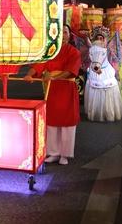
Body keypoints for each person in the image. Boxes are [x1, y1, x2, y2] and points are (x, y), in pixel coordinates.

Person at [25, 24, 82, 165]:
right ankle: (53, 152)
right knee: (51, 121)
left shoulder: (74, 52)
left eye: (65, 32)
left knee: (67, 122)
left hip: (67, 88)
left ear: (69, 35)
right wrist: (29, 75)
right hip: (52, 89)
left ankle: (65, 154)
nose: (63, 35)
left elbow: (70, 71)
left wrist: (54, 77)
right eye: (59, 32)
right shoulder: (50, 51)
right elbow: (39, 66)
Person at [84, 27, 122, 122]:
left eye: (101, 38)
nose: (99, 39)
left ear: (104, 39)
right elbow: (89, 47)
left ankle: (108, 112)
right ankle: (95, 112)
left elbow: (113, 54)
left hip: (106, 71)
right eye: (97, 38)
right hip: (95, 70)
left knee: (108, 90)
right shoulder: (92, 48)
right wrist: (86, 37)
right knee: (94, 89)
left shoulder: (107, 48)